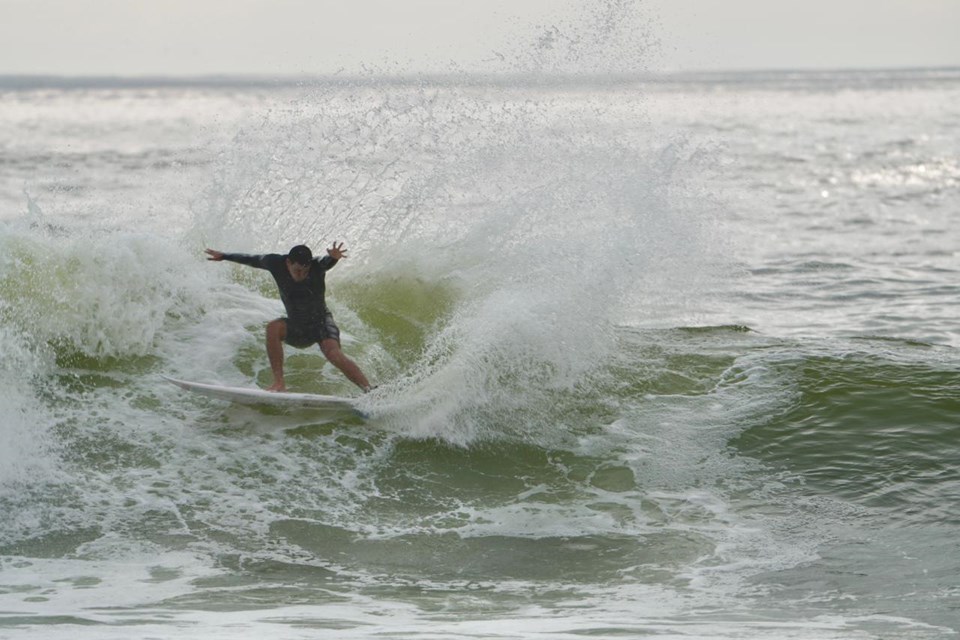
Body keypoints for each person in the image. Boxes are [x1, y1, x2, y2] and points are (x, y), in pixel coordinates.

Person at [204, 242, 373, 393]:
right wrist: (224, 256)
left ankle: (369, 390)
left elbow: (325, 261)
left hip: (321, 323)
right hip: (298, 327)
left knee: (334, 354)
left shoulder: (317, 266)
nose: (301, 274)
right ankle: (279, 383)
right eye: (297, 270)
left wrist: (333, 258)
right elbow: (252, 259)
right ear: (288, 263)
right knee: (273, 328)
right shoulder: (275, 263)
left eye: (305, 271)